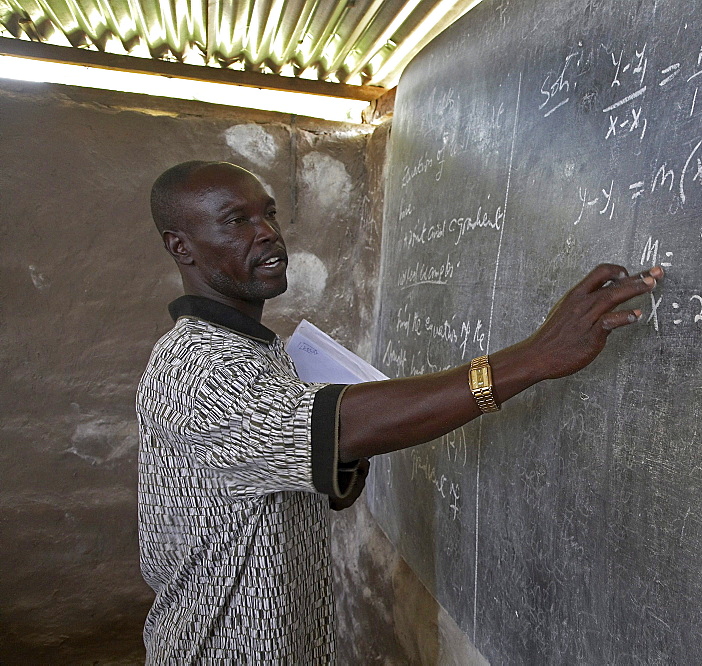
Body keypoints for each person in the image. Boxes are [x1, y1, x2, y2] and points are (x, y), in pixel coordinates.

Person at [136, 160, 663, 662]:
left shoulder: (259, 349)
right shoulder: (197, 368)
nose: (268, 231)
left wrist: (339, 464)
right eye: (237, 220)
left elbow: (283, 467)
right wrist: (535, 357)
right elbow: (339, 426)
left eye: (269, 213)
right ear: (180, 247)